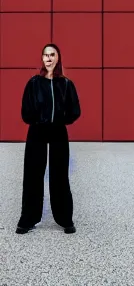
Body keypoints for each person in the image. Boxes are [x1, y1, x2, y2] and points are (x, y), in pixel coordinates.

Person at [16, 43, 81, 235]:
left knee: (59, 175)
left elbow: (75, 110)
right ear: (42, 59)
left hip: (58, 132)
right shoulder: (34, 83)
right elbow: (25, 110)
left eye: (52, 55)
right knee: (33, 175)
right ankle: (28, 219)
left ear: (58, 58)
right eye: (46, 55)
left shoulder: (66, 84)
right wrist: (37, 120)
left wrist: (60, 119)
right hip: (36, 132)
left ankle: (65, 219)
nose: (49, 58)